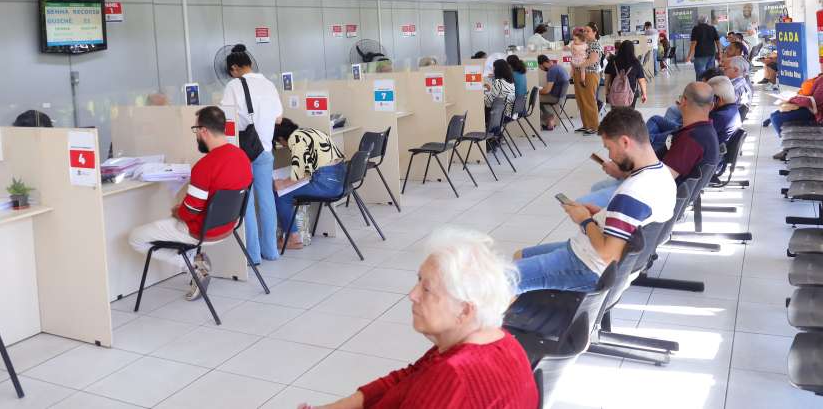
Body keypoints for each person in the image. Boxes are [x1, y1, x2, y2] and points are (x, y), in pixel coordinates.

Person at [302, 227, 538, 409]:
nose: (412, 295)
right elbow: (409, 377)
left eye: (427, 289)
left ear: (465, 310)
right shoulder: (498, 340)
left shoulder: (453, 375)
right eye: (418, 281)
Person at [512, 108, 675, 293]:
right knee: (520, 256)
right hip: (591, 255)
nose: (610, 156)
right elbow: (631, 222)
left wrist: (585, 220)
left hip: (587, 266)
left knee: (504, 278)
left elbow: (608, 254)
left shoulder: (632, 192)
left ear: (624, 142)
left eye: (609, 148)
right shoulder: (663, 175)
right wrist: (601, 214)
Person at [129, 106, 252, 300]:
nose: (196, 135)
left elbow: (190, 211)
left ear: (204, 131)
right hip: (229, 226)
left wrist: (178, 211)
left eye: (196, 130)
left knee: (135, 237)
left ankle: (194, 266)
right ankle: (195, 260)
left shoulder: (205, 166)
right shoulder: (242, 156)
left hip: (201, 231)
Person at [581, 82, 719, 208]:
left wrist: (622, 172)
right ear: (712, 106)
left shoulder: (692, 140)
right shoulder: (704, 131)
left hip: (654, 198)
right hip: (659, 187)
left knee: (583, 203)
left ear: (683, 101)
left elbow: (658, 181)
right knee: (597, 187)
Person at [220, 44, 283, 264]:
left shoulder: (233, 85)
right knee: (266, 199)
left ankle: (253, 255)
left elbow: (226, 118)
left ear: (234, 68)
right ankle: (271, 250)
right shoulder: (269, 84)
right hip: (264, 148)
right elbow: (278, 117)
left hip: (243, 151)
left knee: (245, 202)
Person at [272, 118, 345, 249]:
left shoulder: (296, 139)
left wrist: (282, 184)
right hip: (340, 179)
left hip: (327, 184)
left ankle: (293, 239)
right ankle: (293, 235)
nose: (283, 146)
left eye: (280, 142)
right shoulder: (309, 131)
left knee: (281, 195)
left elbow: (302, 173)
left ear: (281, 138)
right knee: (287, 188)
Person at [767, 74, 823, 159]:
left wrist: (792, 99)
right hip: (813, 109)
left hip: (817, 113)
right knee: (774, 115)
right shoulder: (820, 78)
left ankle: (788, 149)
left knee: (777, 118)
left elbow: (812, 102)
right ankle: (787, 147)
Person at [572, 23, 603, 135]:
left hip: (590, 75)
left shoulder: (595, 44)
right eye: (584, 31)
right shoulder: (585, 43)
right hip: (579, 73)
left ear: (595, 32)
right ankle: (586, 125)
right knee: (581, 101)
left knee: (589, 101)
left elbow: (592, 60)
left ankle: (594, 126)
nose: (585, 33)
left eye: (588, 31)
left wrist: (579, 65)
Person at [603, 40, 648, 107]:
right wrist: (644, 94)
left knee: (615, 112)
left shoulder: (612, 61)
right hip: (631, 93)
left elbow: (607, 78)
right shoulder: (635, 62)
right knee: (629, 112)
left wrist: (606, 91)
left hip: (615, 93)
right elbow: (641, 80)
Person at [537, 55, 569, 131]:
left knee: (535, 99)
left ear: (544, 63)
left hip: (555, 97)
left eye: (540, 67)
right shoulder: (558, 67)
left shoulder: (551, 71)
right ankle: (549, 118)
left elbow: (547, 90)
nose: (541, 69)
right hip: (561, 97)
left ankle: (549, 118)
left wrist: (537, 91)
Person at [707, 76, 741, 145]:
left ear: (718, 100)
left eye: (708, 97)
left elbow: (696, 136)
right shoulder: (733, 110)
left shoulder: (718, 117)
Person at [686, 15, 720, 80]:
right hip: (711, 54)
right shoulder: (712, 28)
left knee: (701, 75)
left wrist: (689, 56)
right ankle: (710, 85)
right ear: (707, 21)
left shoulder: (696, 28)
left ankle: (701, 86)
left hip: (700, 55)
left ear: (698, 21)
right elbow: (718, 42)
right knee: (710, 75)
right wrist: (720, 53)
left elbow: (693, 43)